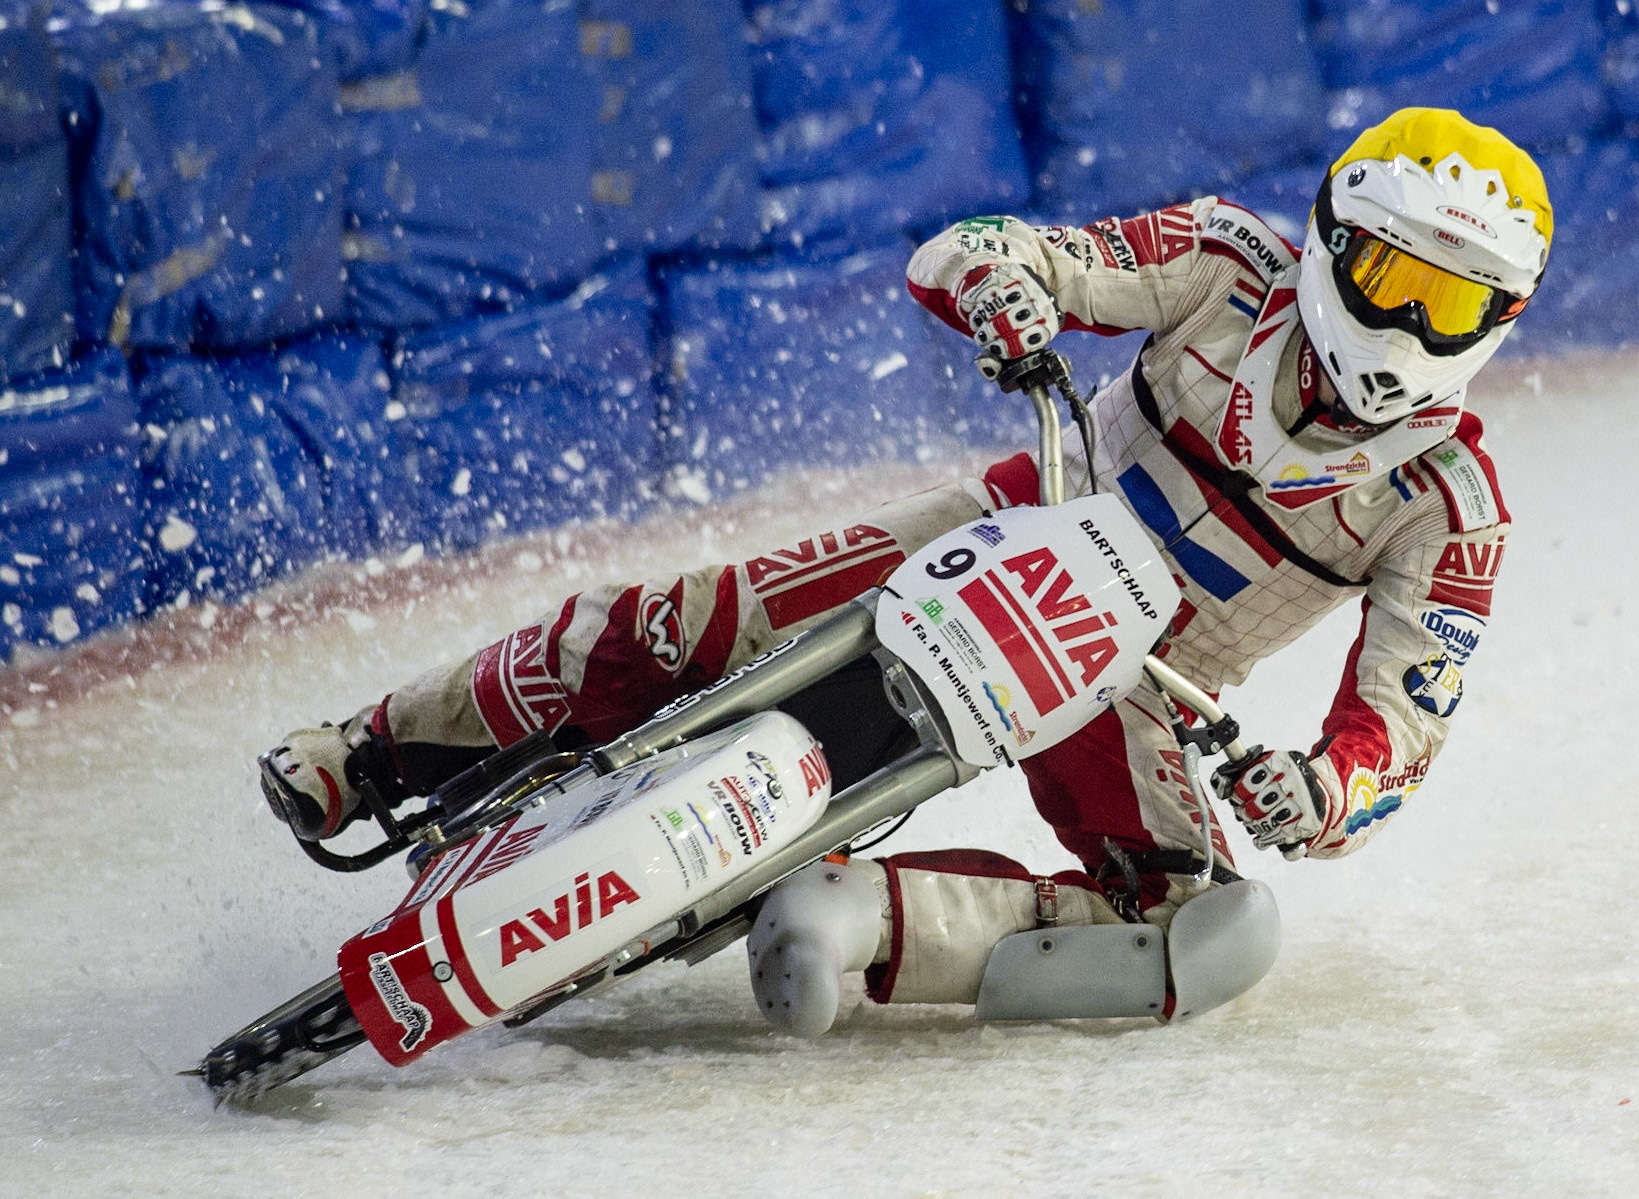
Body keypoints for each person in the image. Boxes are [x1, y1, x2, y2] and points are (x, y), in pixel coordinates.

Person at [262, 107, 1550, 1023]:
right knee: (690, 623)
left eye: (1449, 306)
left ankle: (852, 919)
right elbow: (992, 247)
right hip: (1002, 527)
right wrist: (1010, 288)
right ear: (1327, 243)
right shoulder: (1227, 259)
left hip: (1139, 681)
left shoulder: (1454, 506)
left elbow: (1400, 729)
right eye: (1386, 276)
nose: (1404, 326)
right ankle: (376, 750)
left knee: (1191, 923)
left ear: (1497, 326)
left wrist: (1317, 792)